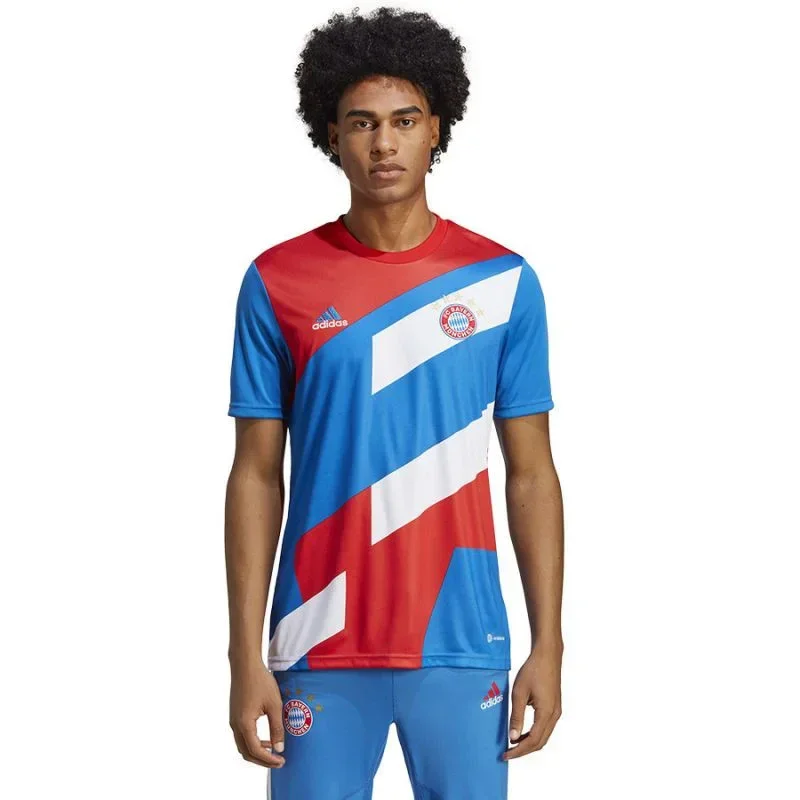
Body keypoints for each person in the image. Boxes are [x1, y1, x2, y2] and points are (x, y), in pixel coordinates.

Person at [225, 7, 564, 799]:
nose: (384, 143)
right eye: (362, 123)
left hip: (462, 642)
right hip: (317, 641)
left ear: (435, 129)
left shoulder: (502, 281)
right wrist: (243, 656)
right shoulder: (277, 281)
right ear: (332, 135)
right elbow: (255, 476)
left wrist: (549, 644)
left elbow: (532, 475)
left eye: (404, 121)